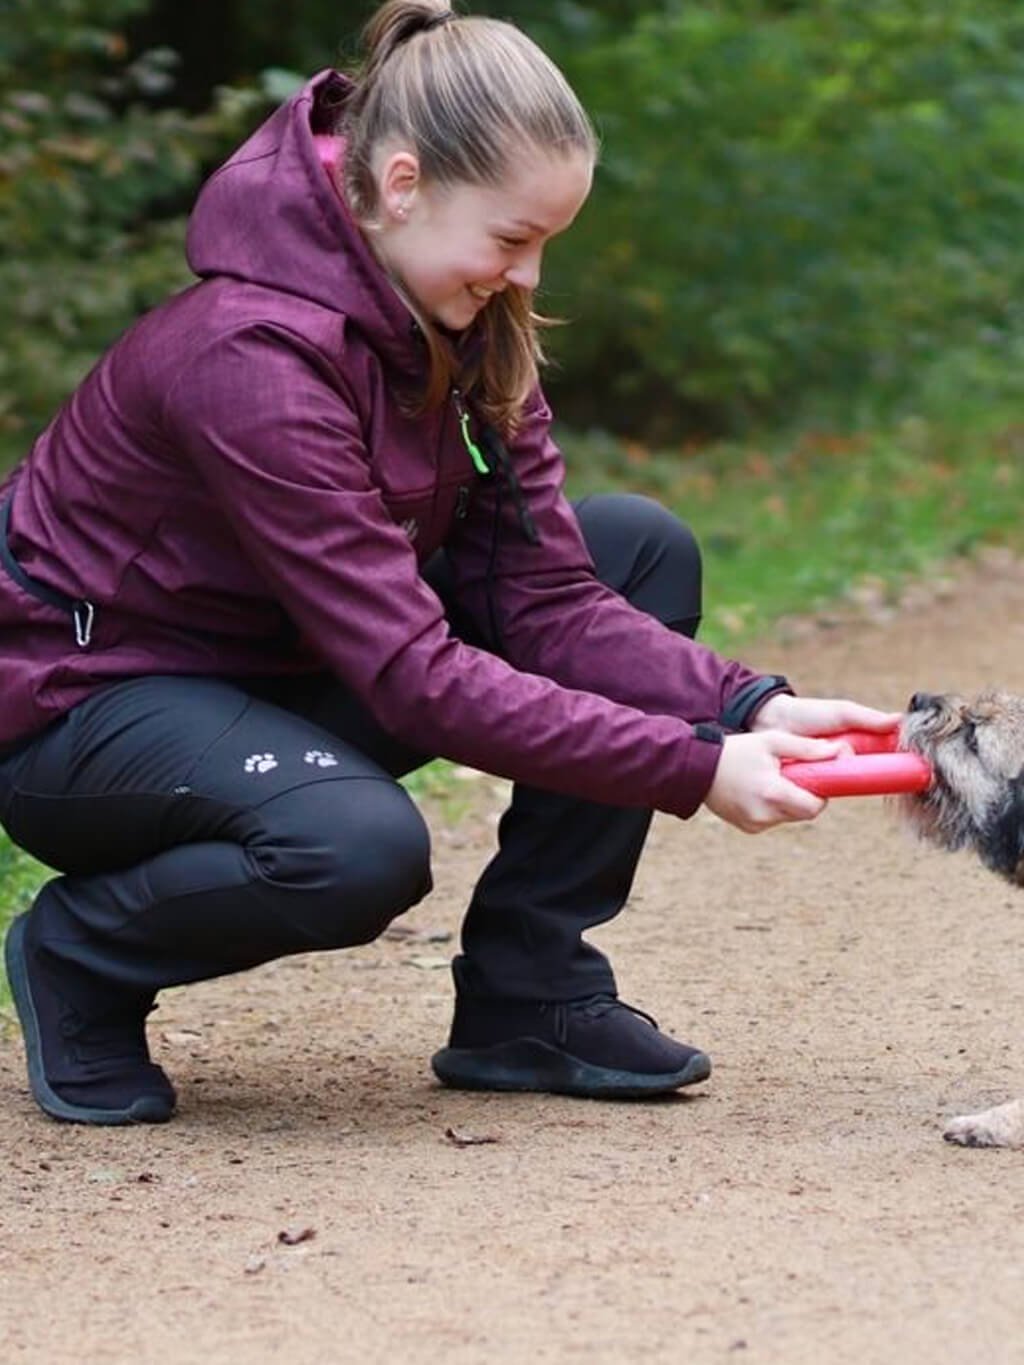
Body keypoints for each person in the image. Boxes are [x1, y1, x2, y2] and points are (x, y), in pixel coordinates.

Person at [0, 0, 897, 1127]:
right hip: (93, 714)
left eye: (544, 245)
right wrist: (691, 763)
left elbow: (550, 597)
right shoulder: (249, 357)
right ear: (406, 183)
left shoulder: (460, 318)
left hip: (286, 672)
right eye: (511, 239)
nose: (524, 277)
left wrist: (746, 702)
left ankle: (529, 994)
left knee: (631, 548)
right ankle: (80, 955)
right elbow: (413, 673)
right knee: (353, 851)